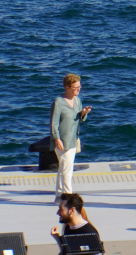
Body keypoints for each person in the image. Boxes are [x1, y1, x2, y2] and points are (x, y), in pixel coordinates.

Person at [50, 74, 91, 202]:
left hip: (72, 139)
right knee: (67, 169)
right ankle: (68, 196)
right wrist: (57, 139)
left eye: (79, 87)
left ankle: (59, 193)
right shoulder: (58, 102)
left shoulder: (77, 101)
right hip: (62, 141)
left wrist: (83, 113)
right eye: (75, 87)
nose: (78, 89)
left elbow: (79, 119)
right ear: (67, 87)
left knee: (64, 168)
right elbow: (53, 123)